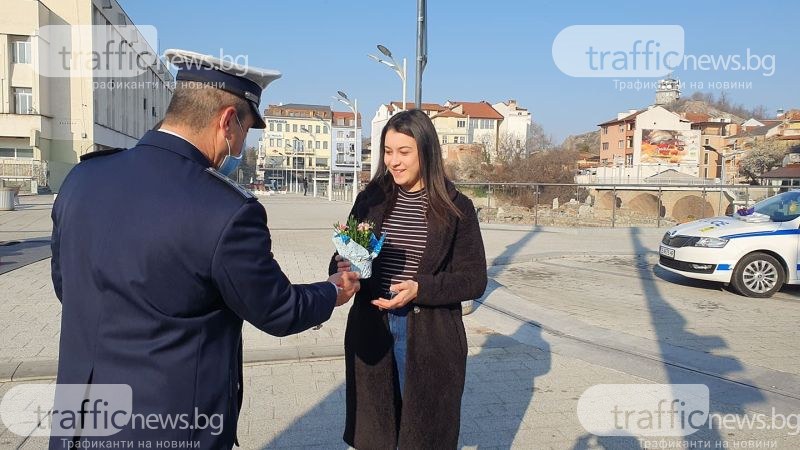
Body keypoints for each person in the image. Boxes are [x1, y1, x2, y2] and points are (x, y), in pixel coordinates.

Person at [49, 49, 359, 449]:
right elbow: (276, 309)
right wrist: (334, 290)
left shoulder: (83, 178)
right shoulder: (226, 211)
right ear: (228, 121)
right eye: (246, 131)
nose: (241, 146)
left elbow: (66, 287)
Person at [329, 109, 487, 448]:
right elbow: (349, 251)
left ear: (426, 152)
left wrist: (421, 289)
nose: (393, 162)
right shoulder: (370, 199)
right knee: (377, 435)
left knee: (423, 437)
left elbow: (474, 279)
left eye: (404, 152)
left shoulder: (456, 207)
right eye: (388, 151)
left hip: (429, 337)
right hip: (373, 328)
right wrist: (344, 265)